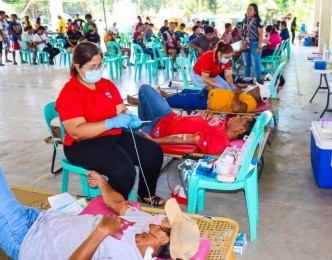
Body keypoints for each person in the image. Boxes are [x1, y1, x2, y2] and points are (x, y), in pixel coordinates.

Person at [0, 168, 200, 259]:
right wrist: (102, 183)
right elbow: (118, 204)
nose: (160, 216)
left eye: (166, 220)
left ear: (164, 239)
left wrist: (102, 231)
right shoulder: (145, 223)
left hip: (27, 239)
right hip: (42, 218)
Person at [56, 42, 165, 205]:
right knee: (124, 171)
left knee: (153, 152)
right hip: (82, 144)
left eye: (100, 65)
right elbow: (76, 131)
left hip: (111, 135)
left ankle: (146, 193)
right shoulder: (70, 93)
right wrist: (110, 123)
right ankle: (110, 207)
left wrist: (129, 117)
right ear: (78, 67)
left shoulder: (106, 85)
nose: (97, 70)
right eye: (92, 67)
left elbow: (120, 109)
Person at [132, 85, 256, 154]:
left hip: (158, 131)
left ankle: (142, 128)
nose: (238, 116)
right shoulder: (223, 123)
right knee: (145, 89)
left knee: (121, 134)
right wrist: (208, 112)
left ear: (240, 130)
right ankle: (143, 122)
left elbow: (189, 138)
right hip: (168, 116)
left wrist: (156, 141)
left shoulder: (220, 141)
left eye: (241, 118)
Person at [128, 81, 271, 113]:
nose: (254, 88)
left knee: (177, 101)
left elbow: (235, 108)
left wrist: (235, 94)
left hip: (205, 102)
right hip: (206, 94)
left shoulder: (251, 103)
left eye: (257, 88)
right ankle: (169, 95)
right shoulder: (248, 95)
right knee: (185, 91)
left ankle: (141, 101)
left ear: (260, 95)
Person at [242, 3, 264, 82]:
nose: (248, 11)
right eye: (248, 9)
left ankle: (258, 80)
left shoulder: (258, 21)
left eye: (251, 9)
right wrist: (243, 43)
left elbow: (261, 35)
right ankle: (246, 81)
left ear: (255, 12)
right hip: (246, 43)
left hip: (255, 43)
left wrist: (259, 46)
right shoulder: (245, 20)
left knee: (256, 64)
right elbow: (243, 33)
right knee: (247, 64)